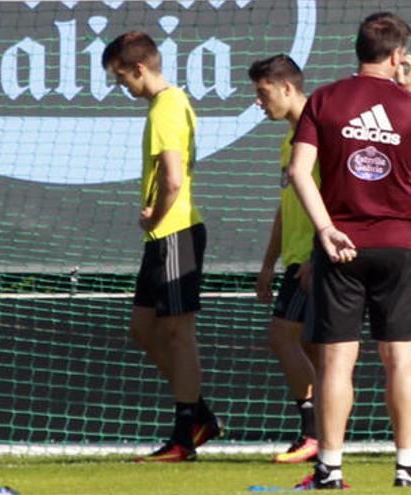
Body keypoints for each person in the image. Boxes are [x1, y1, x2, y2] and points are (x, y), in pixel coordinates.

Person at [287, 12, 411, 489]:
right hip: (397, 245)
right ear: (397, 56)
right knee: (401, 361)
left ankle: (329, 469)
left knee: (336, 363)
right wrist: (410, 89)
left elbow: (297, 172)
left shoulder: (326, 99)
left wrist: (326, 229)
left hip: (341, 246)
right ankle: (407, 468)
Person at [101, 31, 223, 463]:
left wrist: (155, 214)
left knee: (178, 333)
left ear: (139, 69)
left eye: (122, 80)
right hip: (164, 236)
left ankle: (183, 437)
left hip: (177, 231)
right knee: (143, 327)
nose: (124, 89)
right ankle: (201, 413)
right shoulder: (165, 105)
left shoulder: (167, 107)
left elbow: (172, 177)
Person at [249, 54, 320, 464]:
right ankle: (320, 437)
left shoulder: (322, 133)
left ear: (287, 88)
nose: (260, 102)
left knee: (282, 337)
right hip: (296, 259)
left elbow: (337, 199)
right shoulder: (288, 140)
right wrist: (267, 263)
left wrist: (315, 254)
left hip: (316, 259)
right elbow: (286, 206)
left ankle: (315, 433)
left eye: (263, 93)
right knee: (312, 350)